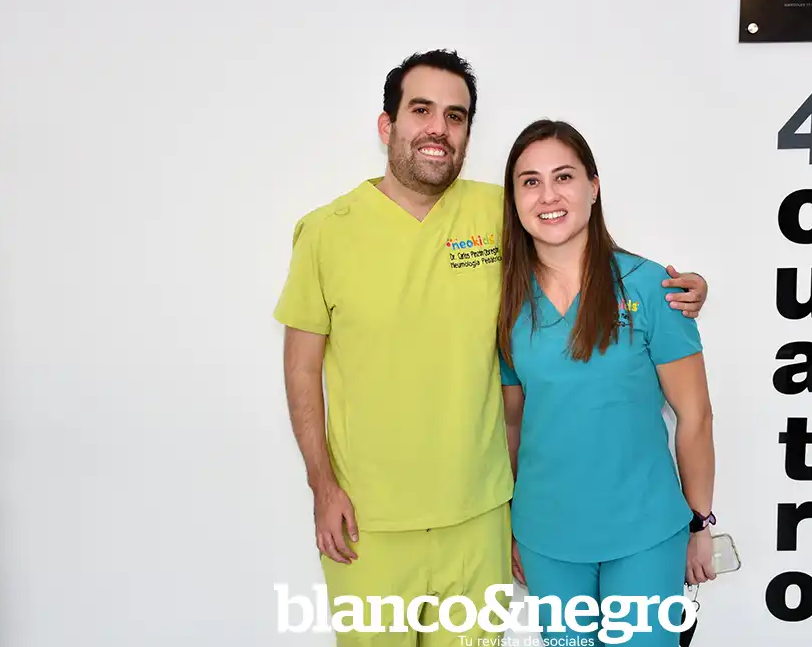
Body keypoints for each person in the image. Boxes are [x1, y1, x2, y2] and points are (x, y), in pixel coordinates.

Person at [272, 49, 710, 646]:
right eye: (421, 110)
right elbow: (301, 369)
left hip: (480, 517)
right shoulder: (326, 231)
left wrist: (681, 287)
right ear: (386, 125)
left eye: (455, 116)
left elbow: (575, 239)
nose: (438, 128)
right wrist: (321, 486)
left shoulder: (496, 211)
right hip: (370, 520)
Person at [496, 119, 717, 647]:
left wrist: (699, 522)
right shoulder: (505, 301)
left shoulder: (651, 286)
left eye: (564, 177)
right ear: (514, 199)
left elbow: (695, 416)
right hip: (548, 538)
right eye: (530, 181)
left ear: (593, 187)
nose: (548, 196)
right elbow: (513, 424)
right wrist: (512, 526)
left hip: (645, 534)